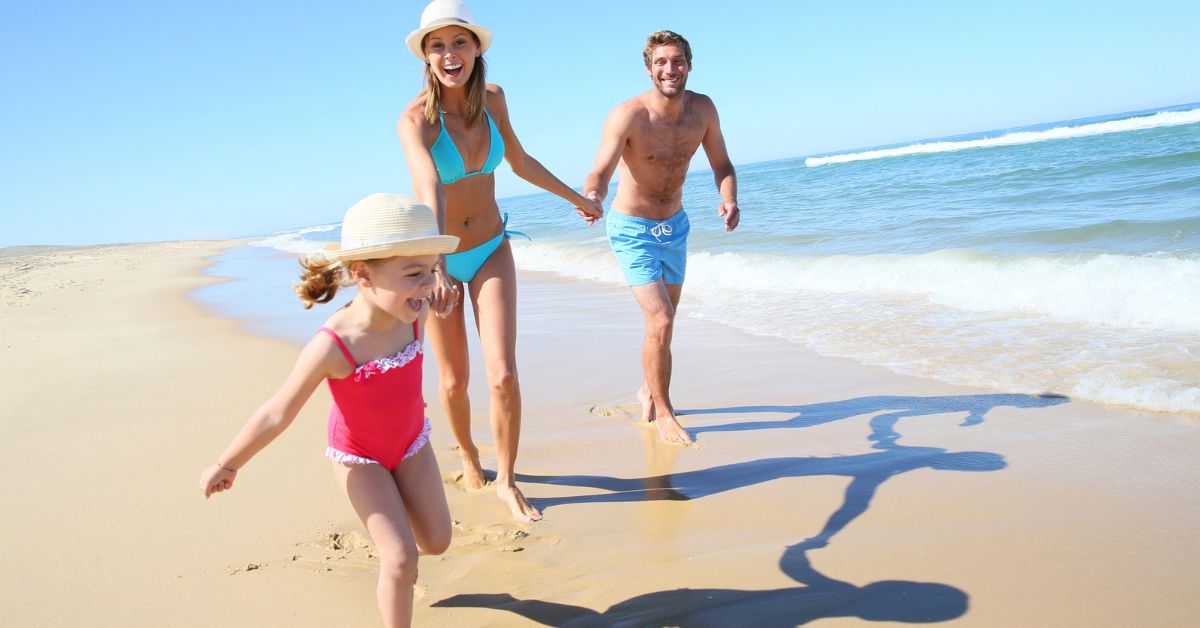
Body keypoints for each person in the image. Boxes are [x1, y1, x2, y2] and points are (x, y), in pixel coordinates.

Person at [199, 193, 459, 628]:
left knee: (437, 541)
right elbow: (277, 412)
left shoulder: (416, 312)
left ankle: (397, 527)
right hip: (360, 458)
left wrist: (433, 294)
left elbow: (430, 299)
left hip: (412, 443)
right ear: (362, 274)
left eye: (432, 270)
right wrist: (228, 463)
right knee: (400, 559)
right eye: (414, 274)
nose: (429, 284)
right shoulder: (334, 345)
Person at [397, 0, 603, 522]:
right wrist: (437, 266)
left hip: (491, 247)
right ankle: (468, 456)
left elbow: (519, 159)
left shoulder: (493, 99)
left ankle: (507, 480)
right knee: (451, 382)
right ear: (425, 55)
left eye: (458, 42)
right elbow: (428, 192)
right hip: (440, 257)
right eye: (437, 45)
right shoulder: (415, 120)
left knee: (504, 374)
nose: (449, 54)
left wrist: (573, 198)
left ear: (475, 48)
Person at [583, 30, 741, 445]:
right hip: (632, 229)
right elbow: (600, 169)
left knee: (663, 325)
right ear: (649, 67)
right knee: (662, 319)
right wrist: (592, 194)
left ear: (689, 64)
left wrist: (728, 199)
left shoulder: (703, 110)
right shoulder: (629, 115)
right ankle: (664, 411)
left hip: (676, 227)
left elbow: (722, 164)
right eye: (661, 62)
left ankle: (647, 388)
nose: (670, 69)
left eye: (677, 60)